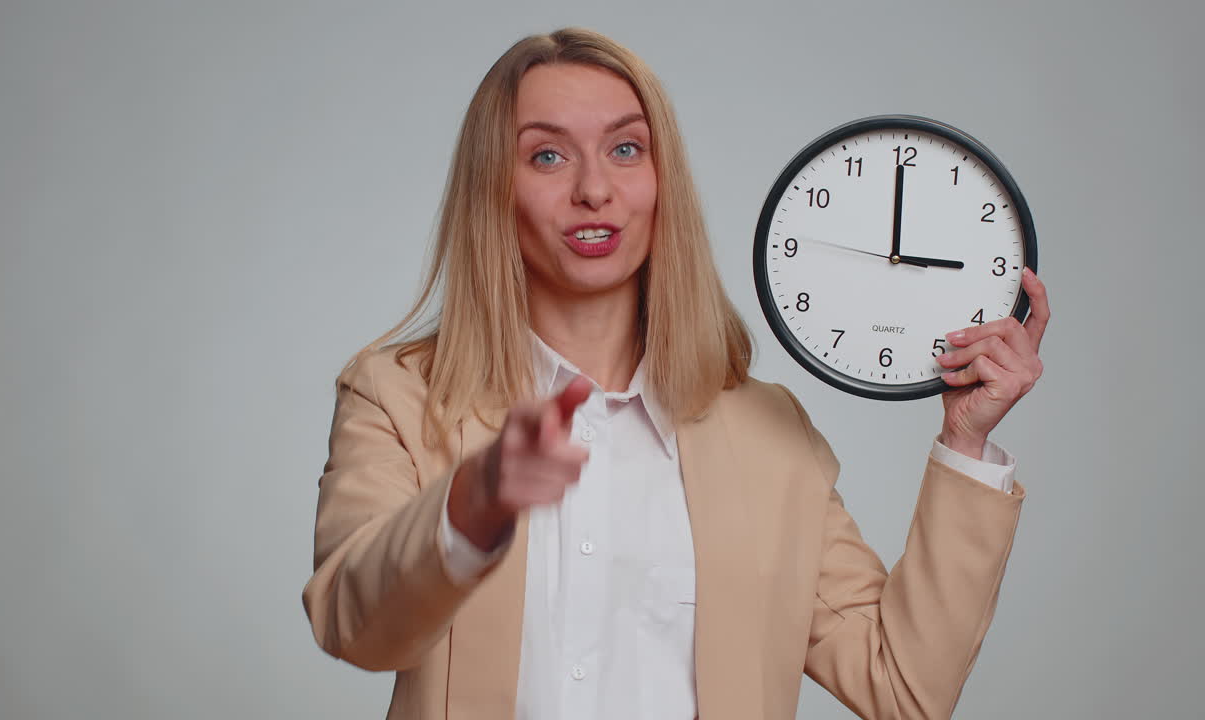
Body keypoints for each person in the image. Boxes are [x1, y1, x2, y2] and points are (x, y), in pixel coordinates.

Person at [301, 27, 1049, 720]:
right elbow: (353, 626)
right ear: (494, 188)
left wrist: (965, 442)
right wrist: (474, 502)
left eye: (625, 150)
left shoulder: (769, 435)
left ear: (665, 182)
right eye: (547, 155)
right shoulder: (395, 394)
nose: (594, 189)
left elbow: (901, 686)